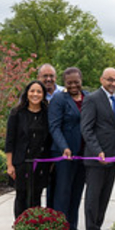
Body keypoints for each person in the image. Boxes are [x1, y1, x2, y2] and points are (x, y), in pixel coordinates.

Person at [5, 80, 53, 230]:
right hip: (21, 163)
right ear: (27, 93)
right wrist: (9, 164)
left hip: (41, 164)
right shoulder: (17, 113)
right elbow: (10, 140)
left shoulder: (47, 114)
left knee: (35, 198)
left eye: (39, 92)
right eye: (32, 91)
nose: (35, 94)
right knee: (22, 197)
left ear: (43, 95)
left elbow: (49, 140)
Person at [80, 68, 115, 230]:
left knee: (105, 197)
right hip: (96, 158)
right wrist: (98, 151)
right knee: (93, 197)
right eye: (110, 80)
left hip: (112, 158)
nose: (114, 83)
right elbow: (86, 129)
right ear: (101, 79)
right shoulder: (92, 99)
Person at [48, 67, 89, 230]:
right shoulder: (59, 99)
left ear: (81, 80)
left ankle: (72, 226)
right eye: (69, 82)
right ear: (64, 83)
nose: (73, 85)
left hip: (83, 154)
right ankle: (60, 229)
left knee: (77, 190)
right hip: (64, 154)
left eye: (76, 81)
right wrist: (64, 147)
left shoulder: (88, 97)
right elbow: (54, 127)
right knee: (62, 191)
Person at [37, 63, 64, 209]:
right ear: (38, 77)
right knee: (38, 187)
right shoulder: (34, 94)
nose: (48, 79)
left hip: (60, 146)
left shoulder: (63, 93)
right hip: (40, 146)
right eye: (45, 76)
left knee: (58, 186)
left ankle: (55, 218)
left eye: (51, 76)